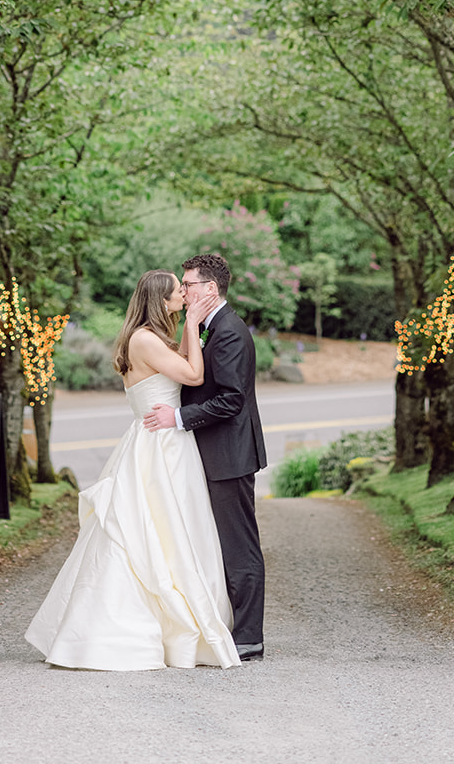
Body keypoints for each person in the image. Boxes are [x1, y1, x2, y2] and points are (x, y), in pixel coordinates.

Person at [24, 270, 240, 670]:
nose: (184, 296)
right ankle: (125, 631)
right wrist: (193, 325)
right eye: (179, 292)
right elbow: (194, 375)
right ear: (161, 300)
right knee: (153, 534)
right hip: (160, 447)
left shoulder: (151, 337)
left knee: (175, 532)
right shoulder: (144, 338)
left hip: (167, 442)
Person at [142, 253, 267, 661]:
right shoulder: (210, 328)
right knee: (217, 544)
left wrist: (177, 417)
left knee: (238, 545)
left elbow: (231, 401)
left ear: (209, 290)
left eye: (188, 284)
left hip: (229, 455)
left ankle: (249, 637)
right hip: (213, 453)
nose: (183, 290)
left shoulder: (229, 332)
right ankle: (230, 626)